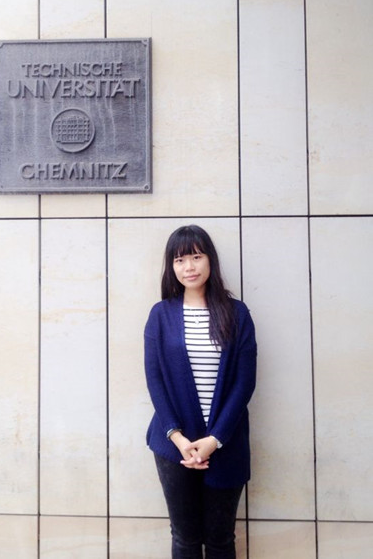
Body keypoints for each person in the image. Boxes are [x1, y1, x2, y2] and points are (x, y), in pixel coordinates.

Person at [144, 224, 257, 559]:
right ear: (171, 266)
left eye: (196, 256)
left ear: (210, 260)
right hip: (173, 445)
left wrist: (215, 439)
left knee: (220, 538)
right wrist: (178, 437)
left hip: (225, 441)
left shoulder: (237, 313)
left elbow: (244, 382)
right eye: (180, 260)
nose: (189, 267)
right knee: (185, 537)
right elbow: (154, 380)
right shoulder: (161, 315)